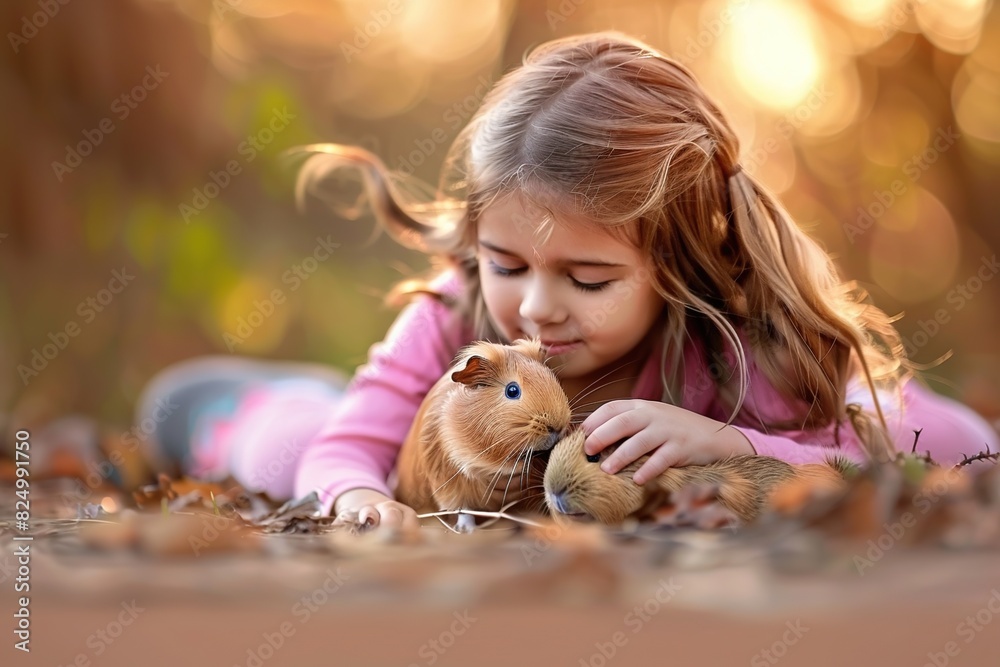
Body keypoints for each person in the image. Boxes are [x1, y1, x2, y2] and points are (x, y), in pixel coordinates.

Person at [135, 32, 998, 531]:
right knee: (307, 442)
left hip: (826, 399)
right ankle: (242, 408)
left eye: (588, 278)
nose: (536, 306)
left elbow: (849, 461)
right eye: (508, 264)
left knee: (926, 434)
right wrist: (357, 497)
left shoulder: (728, 347)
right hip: (412, 438)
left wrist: (727, 443)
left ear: (677, 263)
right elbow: (348, 454)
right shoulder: (460, 312)